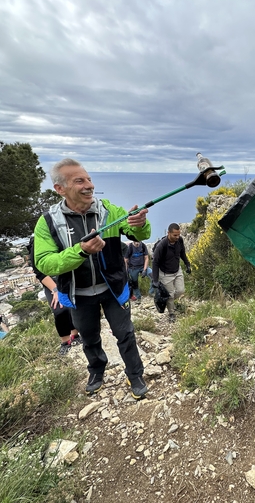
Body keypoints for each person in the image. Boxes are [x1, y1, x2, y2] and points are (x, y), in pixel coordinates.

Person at [33, 158, 151, 399]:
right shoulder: (48, 222)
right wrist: (81, 251)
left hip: (114, 289)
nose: (89, 185)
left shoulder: (109, 211)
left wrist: (140, 224)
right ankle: (97, 370)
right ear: (60, 189)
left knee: (125, 333)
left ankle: (135, 374)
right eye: (80, 181)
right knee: (89, 337)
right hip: (78, 295)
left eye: (89, 179)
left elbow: (137, 231)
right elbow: (44, 262)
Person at [28, 235, 82, 355]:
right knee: (59, 310)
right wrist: (56, 290)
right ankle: (65, 341)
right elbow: (39, 272)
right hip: (51, 281)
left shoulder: (63, 232)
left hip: (67, 276)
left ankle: (75, 334)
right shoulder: (38, 241)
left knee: (71, 306)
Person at [152, 223, 191, 323]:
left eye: (178, 234)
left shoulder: (180, 240)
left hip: (177, 270)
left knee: (180, 290)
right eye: (175, 235)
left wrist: (187, 264)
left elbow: (182, 253)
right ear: (168, 233)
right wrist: (155, 280)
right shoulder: (161, 246)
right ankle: (171, 313)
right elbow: (155, 263)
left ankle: (167, 299)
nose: (177, 237)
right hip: (165, 274)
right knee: (170, 295)